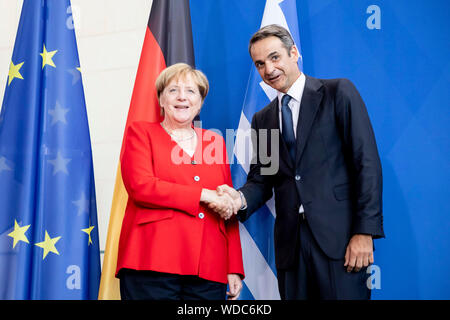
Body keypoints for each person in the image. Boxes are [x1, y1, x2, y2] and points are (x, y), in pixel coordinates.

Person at [215, 24, 384, 300]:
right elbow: (262, 180)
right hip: (291, 249)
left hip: (341, 243)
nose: (268, 69)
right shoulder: (263, 119)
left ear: (293, 53)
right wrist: (237, 200)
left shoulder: (338, 93)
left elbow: (366, 163)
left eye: (274, 57)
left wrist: (364, 232)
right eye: (260, 63)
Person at [116, 63, 244, 300]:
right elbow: (141, 186)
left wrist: (233, 266)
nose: (182, 97)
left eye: (191, 91)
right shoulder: (141, 133)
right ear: (161, 99)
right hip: (151, 262)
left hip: (209, 268)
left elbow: (227, 205)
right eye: (173, 90)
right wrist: (203, 195)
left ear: (200, 103)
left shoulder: (215, 142)